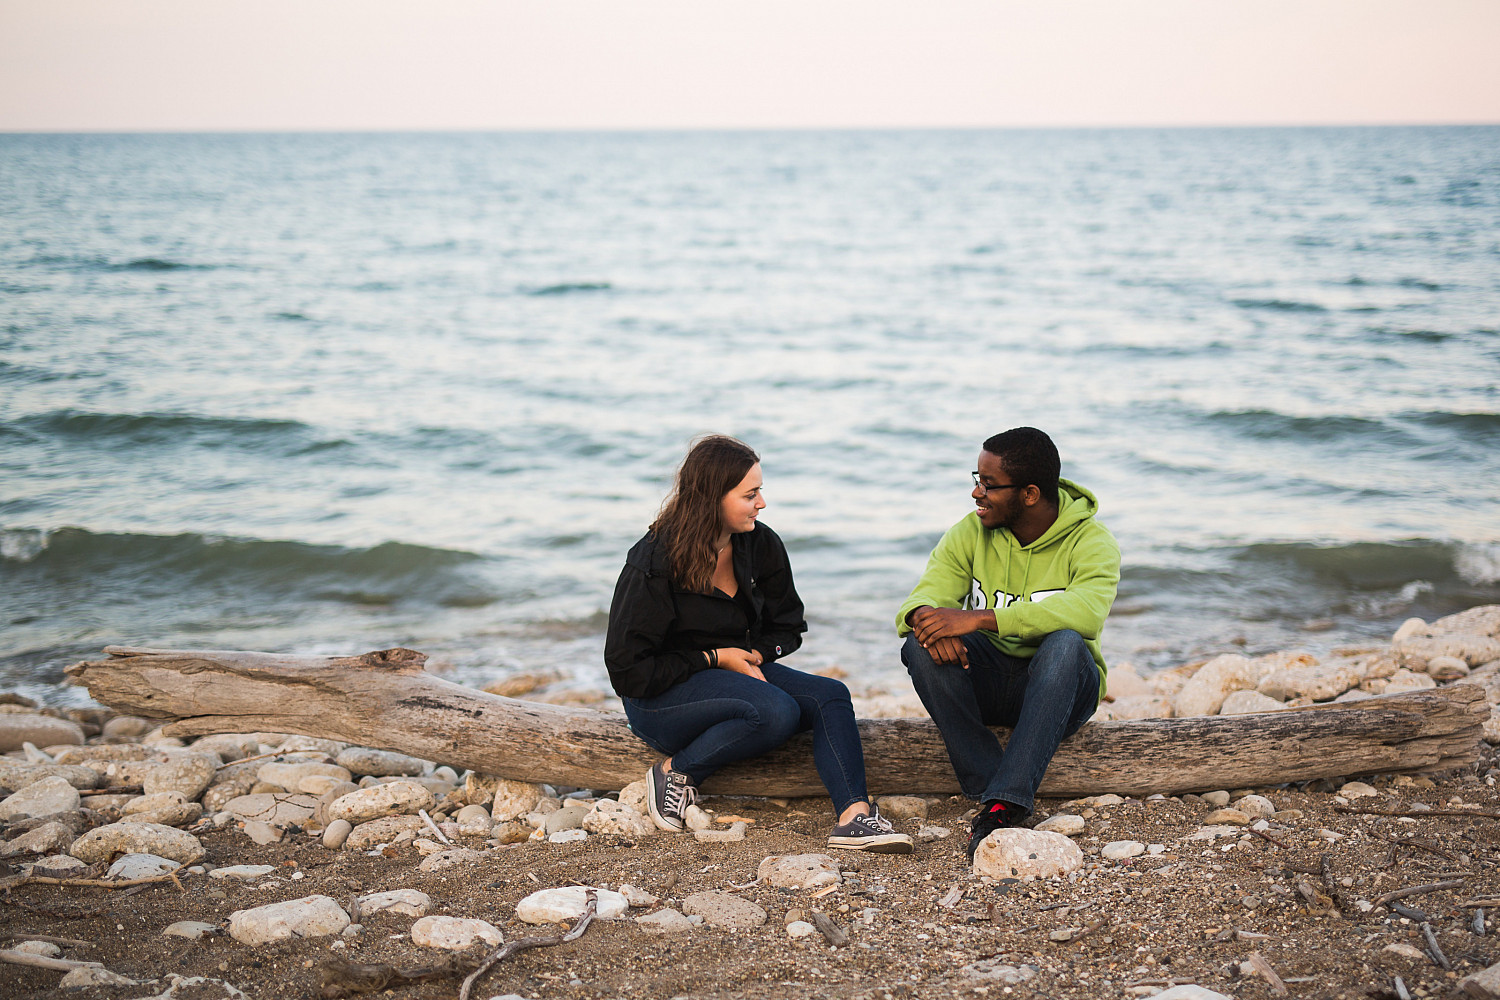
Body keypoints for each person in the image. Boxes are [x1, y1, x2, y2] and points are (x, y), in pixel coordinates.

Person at [605, 435, 912, 854]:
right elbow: (627, 670)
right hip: (658, 698)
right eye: (750, 494)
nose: (762, 503)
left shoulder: (759, 544)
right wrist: (715, 657)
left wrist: (759, 655)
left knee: (830, 695)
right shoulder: (654, 561)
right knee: (775, 710)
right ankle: (674, 772)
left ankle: (854, 816)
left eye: (760, 492)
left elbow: (788, 626)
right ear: (712, 497)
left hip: (737, 678)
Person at [897, 427, 1119, 862]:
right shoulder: (970, 532)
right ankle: (990, 782)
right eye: (975, 479)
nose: (977, 493)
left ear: (1030, 494)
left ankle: (1007, 803)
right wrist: (925, 623)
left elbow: (1086, 613)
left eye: (989, 484)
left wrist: (980, 618)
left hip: (1060, 689)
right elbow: (922, 599)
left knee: (1066, 643)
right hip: (990, 682)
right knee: (918, 646)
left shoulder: (1092, 541)